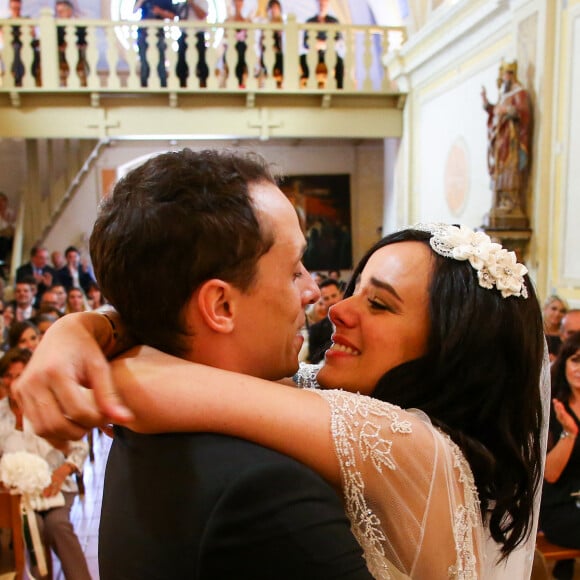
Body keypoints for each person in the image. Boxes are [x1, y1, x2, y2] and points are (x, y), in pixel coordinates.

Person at [15, 220, 547, 578]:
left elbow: (138, 384)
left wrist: (74, 335)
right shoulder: (335, 397)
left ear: (451, 352)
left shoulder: (407, 442)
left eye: (379, 304)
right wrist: (82, 328)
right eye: (355, 286)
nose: (337, 308)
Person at [15, 148, 373, 579]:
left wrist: (84, 328)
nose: (314, 290)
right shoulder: (266, 491)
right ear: (220, 305)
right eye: (294, 269)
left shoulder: (145, 418)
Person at [0, 348, 91, 580]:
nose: (13, 382)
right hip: (16, 496)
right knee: (31, 528)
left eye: (20, 375)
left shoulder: (48, 405)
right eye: (8, 375)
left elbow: (79, 446)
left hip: (54, 486)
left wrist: (62, 472)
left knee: (57, 525)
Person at [540, 331, 580, 580]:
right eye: (575, 359)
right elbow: (550, 475)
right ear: (564, 362)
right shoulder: (552, 407)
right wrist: (570, 434)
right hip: (561, 505)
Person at [481, 60, 532, 227]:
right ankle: (501, 201)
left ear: (511, 75)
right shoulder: (504, 95)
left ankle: (511, 203)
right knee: (500, 169)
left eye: (505, 76)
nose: (504, 80)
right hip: (500, 139)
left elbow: (522, 113)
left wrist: (508, 111)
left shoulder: (520, 92)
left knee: (510, 169)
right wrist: (487, 102)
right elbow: (494, 111)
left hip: (511, 139)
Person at [300, 0, 344, 89]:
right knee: (302, 59)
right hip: (314, 54)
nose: (322, 6)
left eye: (324, 4)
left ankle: (339, 89)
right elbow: (305, 43)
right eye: (320, 4)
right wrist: (315, 45)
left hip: (329, 54)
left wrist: (324, 44)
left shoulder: (334, 21)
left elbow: (339, 41)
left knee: (339, 62)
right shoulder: (310, 21)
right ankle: (309, 85)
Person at [134, 0, 179, 87]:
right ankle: (144, 84)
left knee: (160, 60)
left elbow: (173, 16)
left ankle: (162, 84)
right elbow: (134, 11)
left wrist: (160, 12)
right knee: (144, 60)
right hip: (143, 33)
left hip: (159, 34)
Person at [307, 277, 342, 363]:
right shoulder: (316, 329)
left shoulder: (355, 321)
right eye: (326, 298)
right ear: (321, 300)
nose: (331, 301)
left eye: (334, 296)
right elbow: (313, 358)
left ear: (341, 294)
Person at [176, 0, 208, 88]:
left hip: (198, 35)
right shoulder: (182, 4)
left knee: (201, 60)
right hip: (185, 35)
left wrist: (192, 4)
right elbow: (180, 19)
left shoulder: (202, 2)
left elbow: (202, 15)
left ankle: (204, 83)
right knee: (181, 61)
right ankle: (182, 84)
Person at [543, 295, 568, 360]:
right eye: (554, 309)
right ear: (545, 309)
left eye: (562, 311)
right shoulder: (535, 331)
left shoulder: (567, 335)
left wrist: (557, 360)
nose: (557, 314)